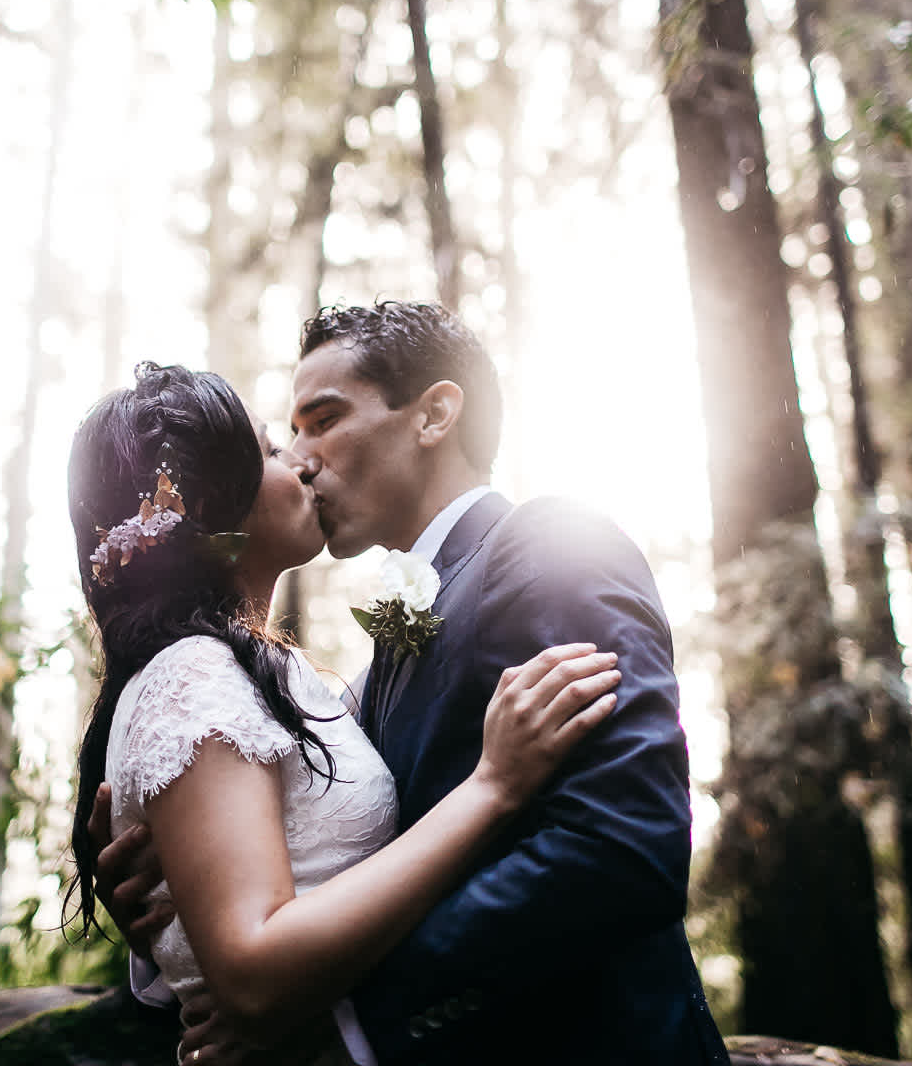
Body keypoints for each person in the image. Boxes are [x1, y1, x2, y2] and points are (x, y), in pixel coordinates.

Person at [100, 303, 731, 1066]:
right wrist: (180, 923)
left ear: (434, 415)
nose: (301, 459)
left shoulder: (557, 546)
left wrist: (351, 1015)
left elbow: (623, 847)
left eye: (321, 420)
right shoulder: (359, 677)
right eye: (288, 436)